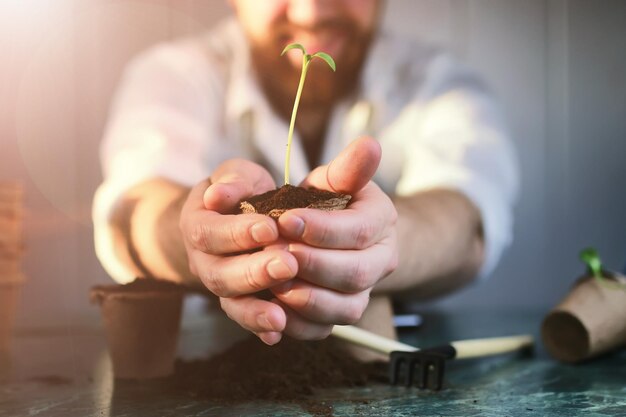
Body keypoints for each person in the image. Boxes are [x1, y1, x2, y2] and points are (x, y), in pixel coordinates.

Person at [93, 0, 518, 347]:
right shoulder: (175, 76)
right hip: (220, 365)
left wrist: (384, 239)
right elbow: (133, 206)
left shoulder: (438, 83)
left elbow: (467, 216)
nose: (310, 13)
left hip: (388, 364)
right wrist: (194, 231)